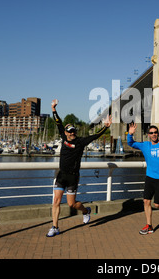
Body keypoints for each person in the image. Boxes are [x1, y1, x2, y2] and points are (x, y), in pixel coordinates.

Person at [46, 99, 111, 237]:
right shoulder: (63, 137)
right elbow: (58, 122)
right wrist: (53, 109)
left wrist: (105, 127)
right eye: (70, 132)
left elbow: (95, 136)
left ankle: (86, 211)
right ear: (66, 132)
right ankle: (55, 227)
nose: (72, 133)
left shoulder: (80, 142)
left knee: (71, 204)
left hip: (73, 176)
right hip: (61, 175)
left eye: (73, 131)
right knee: (56, 201)